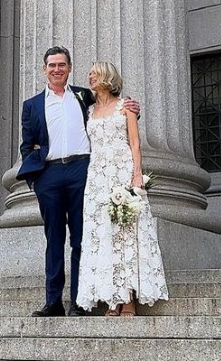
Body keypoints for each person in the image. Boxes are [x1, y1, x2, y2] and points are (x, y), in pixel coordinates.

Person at [16, 47, 140, 317]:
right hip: (49, 174)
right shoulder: (32, 105)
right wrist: (36, 179)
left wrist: (133, 108)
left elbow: (111, 107)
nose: (57, 69)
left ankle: (79, 301)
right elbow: (27, 145)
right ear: (44, 69)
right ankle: (53, 302)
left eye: (62, 64)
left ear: (69, 68)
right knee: (54, 238)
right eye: (52, 65)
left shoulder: (84, 96)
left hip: (82, 171)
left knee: (82, 238)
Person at [76, 61, 168, 316]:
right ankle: (111, 298)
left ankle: (128, 299)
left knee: (126, 233)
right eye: (90, 75)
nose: (90, 78)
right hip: (97, 177)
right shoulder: (88, 110)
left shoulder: (125, 106)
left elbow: (135, 144)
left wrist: (137, 175)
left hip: (121, 170)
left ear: (107, 77)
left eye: (95, 74)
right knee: (103, 234)